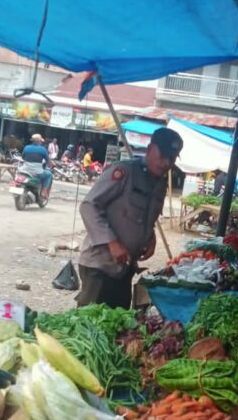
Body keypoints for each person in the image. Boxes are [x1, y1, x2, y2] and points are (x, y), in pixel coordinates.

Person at [78, 127, 184, 308]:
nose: (166, 163)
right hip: (100, 266)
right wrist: (111, 242)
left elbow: (146, 216)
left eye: (172, 159)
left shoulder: (159, 183)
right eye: (162, 156)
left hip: (125, 268)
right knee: (89, 326)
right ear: (150, 149)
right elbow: (88, 206)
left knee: (118, 328)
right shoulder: (124, 172)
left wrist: (150, 237)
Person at [21, 133, 53, 197]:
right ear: (39, 141)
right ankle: (43, 192)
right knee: (49, 175)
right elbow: (48, 161)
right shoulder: (42, 149)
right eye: (41, 141)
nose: (41, 142)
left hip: (24, 170)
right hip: (37, 172)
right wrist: (52, 164)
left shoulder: (26, 147)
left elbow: (23, 157)